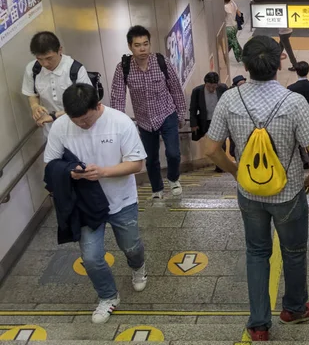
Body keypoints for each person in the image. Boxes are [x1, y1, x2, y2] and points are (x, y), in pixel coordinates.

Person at [203, 36, 309, 342]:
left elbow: (210, 149)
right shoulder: (294, 102)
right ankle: (295, 309)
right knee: (294, 252)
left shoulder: (230, 99)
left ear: (245, 66)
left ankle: (259, 324)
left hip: (250, 195)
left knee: (257, 252)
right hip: (288, 194)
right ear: (280, 63)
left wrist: (236, 172)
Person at [44, 84, 147, 324]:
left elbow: (136, 164)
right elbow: (51, 163)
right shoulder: (61, 126)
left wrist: (102, 172)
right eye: (75, 120)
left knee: (131, 247)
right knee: (90, 257)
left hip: (121, 200)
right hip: (86, 203)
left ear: (98, 106)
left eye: (86, 119)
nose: (81, 124)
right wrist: (70, 171)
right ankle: (108, 296)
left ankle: (138, 266)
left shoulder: (120, 122)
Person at [110, 25, 186, 200]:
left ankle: (173, 179)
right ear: (130, 46)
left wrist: (181, 113)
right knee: (150, 158)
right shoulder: (123, 67)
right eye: (137, 45)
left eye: (145, 44)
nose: (142, 48)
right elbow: (117, 97)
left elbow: (175, 88)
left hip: (167, 113)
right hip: (144, 120)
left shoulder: (161, 62)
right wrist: (117, 125)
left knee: (173, 153)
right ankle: (157, 189)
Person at [22, 32, 92, 134]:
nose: (45, 63)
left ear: (60, 50)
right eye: (40, 59)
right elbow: (32, 93)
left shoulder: (75, 69)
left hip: (80, 128)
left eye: (49, 58)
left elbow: (87, 103)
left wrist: (54, 116)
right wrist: (35, 106)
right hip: (52, 131)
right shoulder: (32, 69)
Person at [190, 72, 229, 172]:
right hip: (206, 120)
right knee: (211, 144)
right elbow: (193, 108)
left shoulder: (223, 88)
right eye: (209, 86)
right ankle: (218, 164)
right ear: (205, 84)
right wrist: (193, 124)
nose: (211, 89)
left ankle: (221, 166)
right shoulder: (197, 91)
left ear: (217, 84)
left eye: (214, 86)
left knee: (221, 143)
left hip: (220, 120)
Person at [288, 61, 309, 169]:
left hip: (297, 119)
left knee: (299, 141)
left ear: (296, 72)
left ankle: (304, 160)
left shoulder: (291, 88)